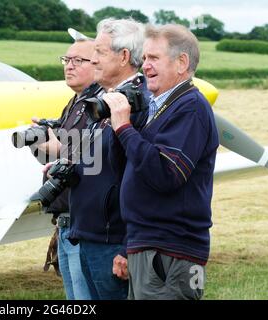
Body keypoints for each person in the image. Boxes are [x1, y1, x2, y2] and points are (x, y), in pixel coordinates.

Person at [107, 24, 219, 300]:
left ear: (181, 63)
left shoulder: (190, 107)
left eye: (153, 58)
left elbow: (165, 174)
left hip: (170, 249)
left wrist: (124, 129)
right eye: (144, 58)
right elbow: (129, 171)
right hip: (149, 244)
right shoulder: (157, 107)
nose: (145, 66)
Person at [66, 18, 147, 300]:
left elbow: (141, 180)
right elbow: (105, 163)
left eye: (99, 52)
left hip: (112, 242)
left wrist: (128, 247)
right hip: (90, 234)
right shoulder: (106, 100)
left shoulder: (136, 104)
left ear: (124, 56)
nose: (93, 59)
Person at [35, 31, 99, 300]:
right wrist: (41, 144)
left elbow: (96, 158)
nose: (69, 65)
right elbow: (60, 158)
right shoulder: (74, 103)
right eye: (66, 59)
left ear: (98, 64)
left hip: (84, 225)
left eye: (77, 60)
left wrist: (59, 147)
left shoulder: (99, 104)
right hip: (65, 222)